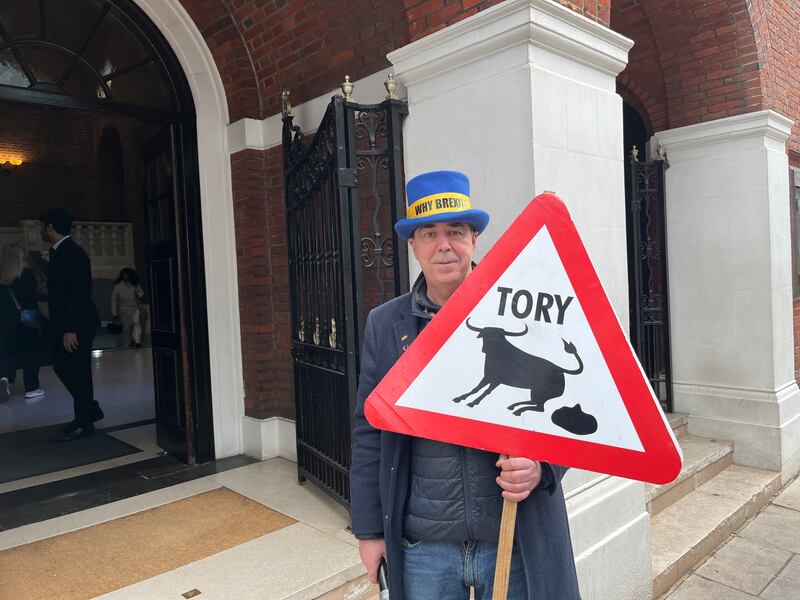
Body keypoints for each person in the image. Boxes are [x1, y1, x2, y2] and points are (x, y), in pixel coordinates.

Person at [350, 171, 580, 599]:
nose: (444, 245)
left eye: (455, 231)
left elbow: (570, 412)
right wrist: (368, 530)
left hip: (512, 537)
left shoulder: (525, 311)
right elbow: (369, 431)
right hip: (423, 548)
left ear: (474, 239)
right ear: (413, 246)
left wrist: (543, 467)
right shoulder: (385, 325)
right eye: (429, 233)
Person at [40, 208, 103, 441]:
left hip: (77, 324)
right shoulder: (59, 252)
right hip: (68, 322)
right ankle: (88, 411)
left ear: (50, 228)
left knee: (77, 370)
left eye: (43, 227)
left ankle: (85, 421)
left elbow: (78, 293)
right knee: (64, 366)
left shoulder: (72, 252)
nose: (41, 231)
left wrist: (71, 329)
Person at [0, 243, 46, 401]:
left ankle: (3, 378)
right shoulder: (26, 273)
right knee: (31, 353)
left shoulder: (1, 276)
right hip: (25, 321)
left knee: (5, 352)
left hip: (5, 322)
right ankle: (31, 388)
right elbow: (31, 298)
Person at [111, 268, 144, 348]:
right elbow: (114, 301)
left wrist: (138, 294)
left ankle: (138, 341)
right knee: (126, 328)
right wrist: (114, 313)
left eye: (126, 274)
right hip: (124, 310)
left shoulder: (135, 284)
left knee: (136, 323)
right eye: (124, 274)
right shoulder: (117, 287)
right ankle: (129, 341)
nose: (125, 276)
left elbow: (141, 293)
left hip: (134, 308)